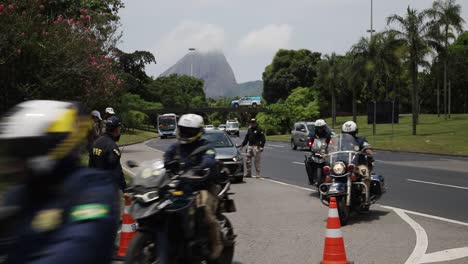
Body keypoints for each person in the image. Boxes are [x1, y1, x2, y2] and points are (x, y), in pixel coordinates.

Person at [0, 100, 120, 264]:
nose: (16, 161)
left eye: (22, 150)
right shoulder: (21, 194)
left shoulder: (93, 188)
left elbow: (83, 244)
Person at [163, 114, 225, 260]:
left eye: (189, 131)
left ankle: (216, 244)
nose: (185, 133)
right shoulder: (175, 147)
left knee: (205, 211)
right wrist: (167, 164)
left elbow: (209, 159)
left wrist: (200, 168)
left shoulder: (206, 147)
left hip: (203, 186)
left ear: (198, 131)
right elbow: (166, 157)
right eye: (183, 129)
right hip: (181, 186)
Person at [89, 115, 126, 193]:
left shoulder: (96, 142)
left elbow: (90, 165)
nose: (120, 130)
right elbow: (117, 172)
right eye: (119, 128)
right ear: (116, 130)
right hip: (106, 190)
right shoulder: (112, 147)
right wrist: (124, 189)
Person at [341, 120, 374, 196]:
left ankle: (366, 194)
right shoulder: (341, 141)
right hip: (345, 164)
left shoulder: (361, 140)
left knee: (365, 174)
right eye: (346, 134)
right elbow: (334, 147)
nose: (349, 135)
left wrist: (367, 149)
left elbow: (366, 145)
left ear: (355, 132)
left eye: (351, 133)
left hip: (359, 164)